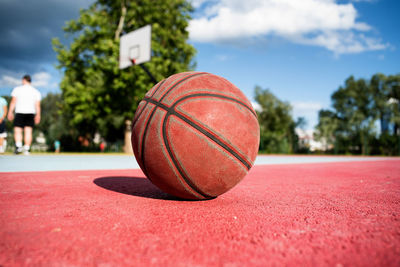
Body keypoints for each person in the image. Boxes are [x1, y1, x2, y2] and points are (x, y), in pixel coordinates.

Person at [7, 75, 41, 155]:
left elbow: (13, 102)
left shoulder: (17, 89)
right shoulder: (35, 91)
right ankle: (27, 148)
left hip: (20, 112)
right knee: (28, 131)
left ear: (23, 80)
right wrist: (38, 115)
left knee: (18, 130)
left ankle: (18, 146)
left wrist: (10, 112)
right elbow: (37, 105)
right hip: (31, 112)